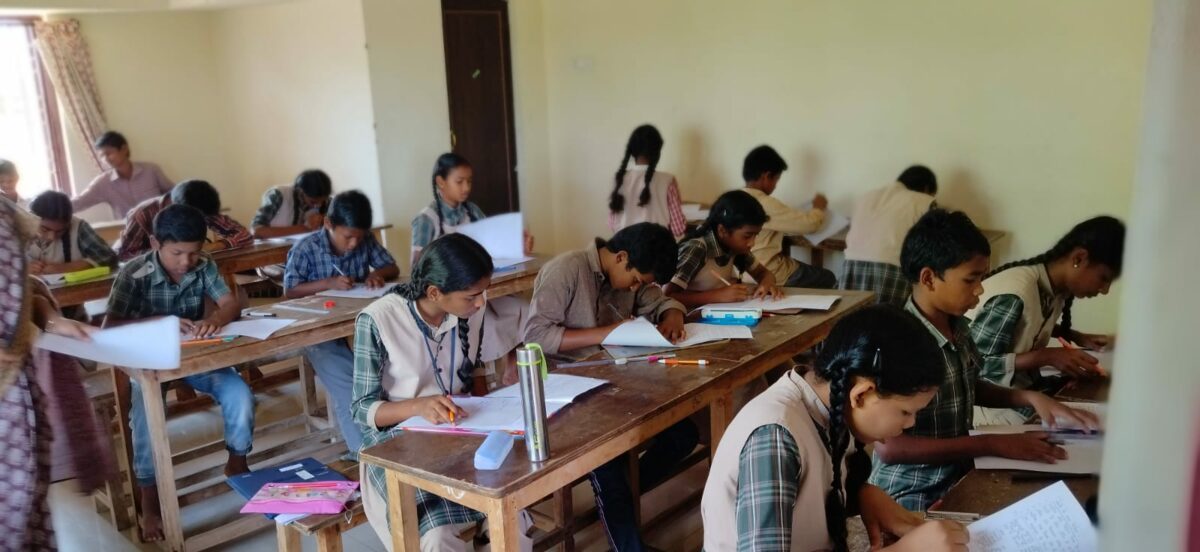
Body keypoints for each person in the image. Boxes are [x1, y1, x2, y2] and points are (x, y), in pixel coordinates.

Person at [868, 208, 1099, 511]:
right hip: (911, 489)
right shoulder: (899, 342)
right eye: (970, 279)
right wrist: (990, 442)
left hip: (960, 468)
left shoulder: (958, 326)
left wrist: (1030, 398)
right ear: (929, 278)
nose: (980, 289)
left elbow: (967, 386)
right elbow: (891, 449)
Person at [702, 305, 968, 552]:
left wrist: (863, 495)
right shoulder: (775, 437)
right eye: (906, 412)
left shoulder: (832, 407)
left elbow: (825, 482)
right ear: (862, 395)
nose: (910, 423)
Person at [352, 234, 533, 551]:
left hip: (460, 428)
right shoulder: (379, 320)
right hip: (397, 443)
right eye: (471, 296)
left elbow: (472, 366)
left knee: (510, 515)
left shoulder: (468, 313)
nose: (481, 303)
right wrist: (418, 406)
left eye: (482, 292)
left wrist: (490, 404)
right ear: (434, 292)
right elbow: (362, 410)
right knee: (436, 537)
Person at [524, 222, 696, 551]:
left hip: (617, 379)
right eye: (635, 281)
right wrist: (608, 332)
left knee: (683, 433)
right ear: (621, 257)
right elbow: (535, 336)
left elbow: (661, 301)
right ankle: (628, 542)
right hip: (567, 386)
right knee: (608, 455)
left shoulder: (632, 277)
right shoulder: (567, 270)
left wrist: (673, 313)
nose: (635, 290)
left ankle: (621, 497)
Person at [104, 204, 254, 541]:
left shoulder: (204, 265)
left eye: (194, 252)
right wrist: (159, 323)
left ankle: (238, 463)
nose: (186, 261)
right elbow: (110, 326)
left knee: (239, 393)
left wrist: (215, 319)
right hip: (148, 365)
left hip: (192, 359)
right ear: (156, 243)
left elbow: (229, 302)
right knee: (144, 423)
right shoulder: (134, 274)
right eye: (177, 253)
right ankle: (151, 502)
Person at [0, 198, 102, 550]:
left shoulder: (4, 213)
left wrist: (54, 320)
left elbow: (23, 287)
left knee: (26, 511)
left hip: (15, 397)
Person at [968, 216, 1125, 425]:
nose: (1104, 290)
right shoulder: (1015, 294)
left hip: (1021, 391)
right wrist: (1045, 356)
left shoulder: (1054, 290)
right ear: (1079, 258)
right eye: (1104, 278)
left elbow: (1027, 323)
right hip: (986, 404)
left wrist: (1075, 336)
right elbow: (975, 365)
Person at [283, 190, 399, 452]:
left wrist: (377, 275)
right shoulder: (306, 248)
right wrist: (327, 283)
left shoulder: (364, 239)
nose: (354, 244)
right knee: (351, 386)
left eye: (359, 237)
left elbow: (391, 266)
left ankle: (391, 442)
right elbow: (289, 290)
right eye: (348, 237)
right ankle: (368, 455)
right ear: (328, 224)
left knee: (387, 373)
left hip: (356, 326)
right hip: (318, 332)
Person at [664, 189, 781, 309]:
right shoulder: (697, 248)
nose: (752, 243)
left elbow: (763, 273)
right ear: (722, 230)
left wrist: (767, 283)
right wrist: (716, 296)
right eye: (747, 236)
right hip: (688, 319)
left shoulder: (735, 247)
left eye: (756, 235)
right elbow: (667, 296)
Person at [740, 145, 837, 288]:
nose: (775, 186)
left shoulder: (735, 198)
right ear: (766, 176)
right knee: (828, 277)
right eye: (776, 180)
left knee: (795, 264)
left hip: (740, 272)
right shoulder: (765, 203)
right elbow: (810, 225)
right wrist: (818, 208)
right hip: (766, 272)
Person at [841, 165, 938, 306]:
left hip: (850, 268)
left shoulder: (866, 196)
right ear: (926, 188)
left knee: (852, 320)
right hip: (892, 269)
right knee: (887, 323)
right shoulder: (923, 201)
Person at [116, 179, 252, 261]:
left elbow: (244, 235)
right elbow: (126, 254)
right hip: (152, 273)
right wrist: (169, 253)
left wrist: (215, 246)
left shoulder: (200, 204)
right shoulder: (142, 214)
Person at [607, 124, 687, 239]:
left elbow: (613, 224)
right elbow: (678, 229)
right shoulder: (668, 181)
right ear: (657, 152)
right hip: (659, 251)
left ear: (632, 152)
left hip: (625, 252)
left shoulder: (619, 179)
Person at [71, 131, 174, 219]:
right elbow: (80, 202)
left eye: (109, 153)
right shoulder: (103, 182)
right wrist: (56, 206)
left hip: (160, 229)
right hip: (129, 234)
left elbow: (173, 193)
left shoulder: (151, 170)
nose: (105, 159)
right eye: (102, 156)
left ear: (124, 149)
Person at [26, 190, 119, 275]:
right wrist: (23, 270)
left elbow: (109, 257)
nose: (52, 237)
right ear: (32, 218)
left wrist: (62, 268)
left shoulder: (78, 226)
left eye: (60, 231)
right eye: (45, 229)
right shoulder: (18, 228)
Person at [250, 169, 333, 239]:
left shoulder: (326, 201)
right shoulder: (278, 195)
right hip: (274, 251)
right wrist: (305, 228)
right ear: (300, 191)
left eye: (322, 201)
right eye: (313, 202)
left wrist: (323, 221)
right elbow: (257, 230)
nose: (318, 205)